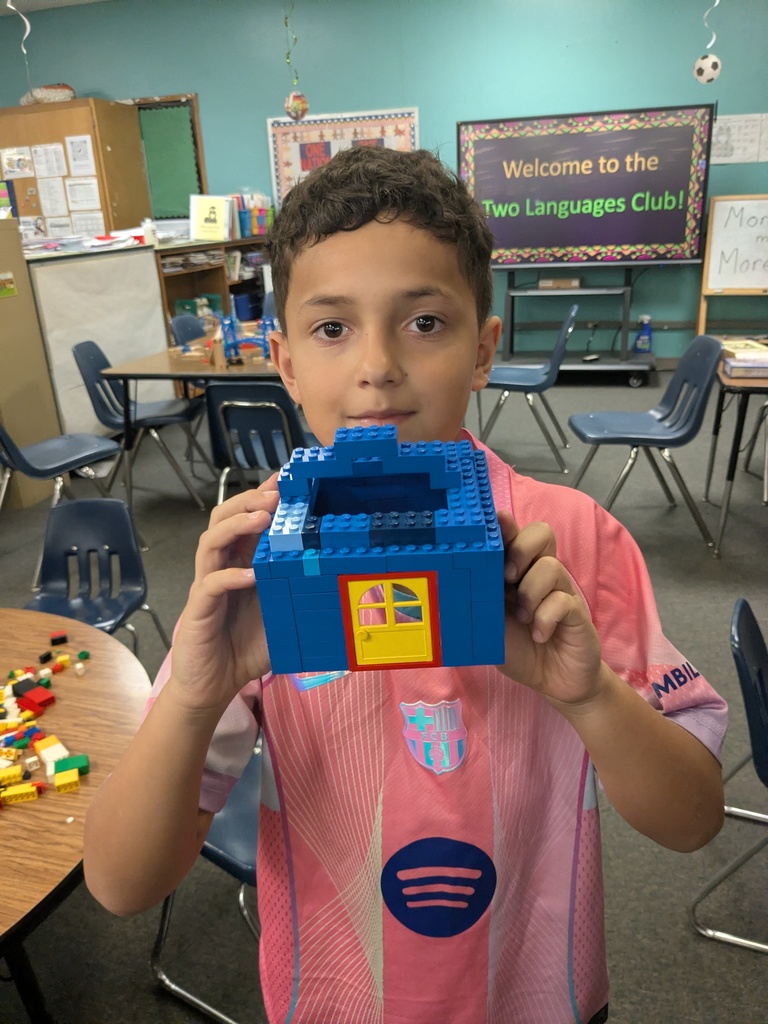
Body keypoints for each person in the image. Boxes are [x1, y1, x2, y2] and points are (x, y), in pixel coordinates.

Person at [84, 147, 727, 1024]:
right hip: (340, 1001)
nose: (378, 366)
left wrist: (591, 699)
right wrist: (197, 694)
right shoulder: (258, 566)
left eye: (424, 323)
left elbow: (693, 820)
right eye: (332, 327)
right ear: (284, 362)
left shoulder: (570, 539)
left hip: (537, 994)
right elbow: (123, 883)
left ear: (483, 350)